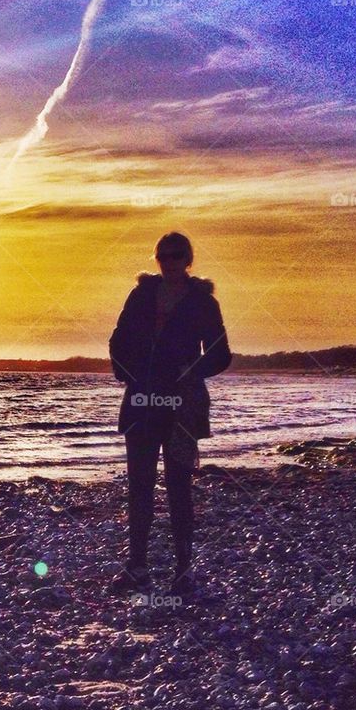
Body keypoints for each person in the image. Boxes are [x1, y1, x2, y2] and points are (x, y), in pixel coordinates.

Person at [108, 232, 231, 595]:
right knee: (139, 487)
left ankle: (183, 571)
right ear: (157, 258)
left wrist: (190, 371)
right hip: (141, 402)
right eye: (163, 255)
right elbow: (118, 340)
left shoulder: (203, 301)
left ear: (188, 259)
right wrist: (128, 373)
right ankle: (137, 568)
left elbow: (221, 354)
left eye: (177, 255)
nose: (170, 261)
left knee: (179, 488)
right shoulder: (141, 294)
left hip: (182, 406)